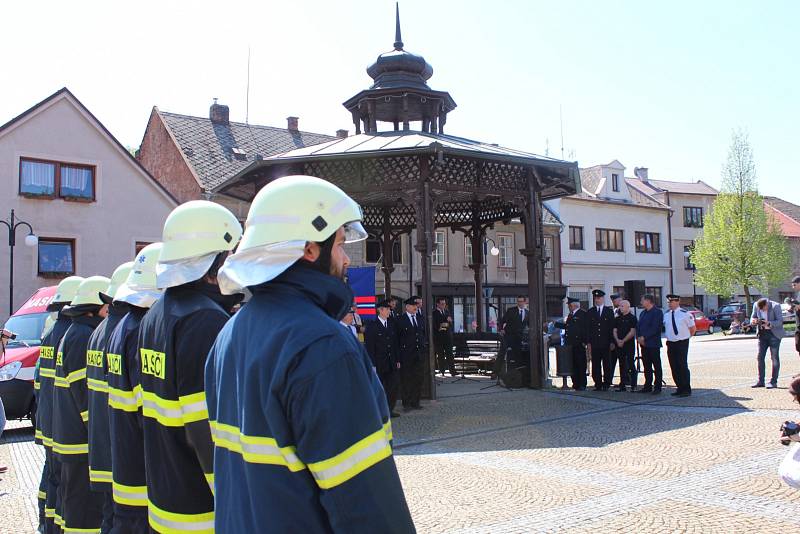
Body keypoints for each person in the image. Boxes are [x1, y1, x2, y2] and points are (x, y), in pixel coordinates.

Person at [207, 175, 414, 532]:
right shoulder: (323, 345)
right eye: (339, 244)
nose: (347, 259)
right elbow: (365, 500)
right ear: (309, 250)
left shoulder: (227, 335)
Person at [137, 200, 243, 533]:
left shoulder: (156, 315)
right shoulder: (204, 320)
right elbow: (208, 431)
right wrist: (234, 507)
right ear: (212, 264)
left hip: (165, 502)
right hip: (201, 513)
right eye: (231, 255)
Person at [107, 244, 164, 533]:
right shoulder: (141, 330)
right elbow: (150, 412)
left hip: (126, 473)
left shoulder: (123, 327)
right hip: (142, 479)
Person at [52, 276, 110, 534]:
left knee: (73, 505)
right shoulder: (82, 336)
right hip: (80, 443)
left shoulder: (74, 331)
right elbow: (84, 396)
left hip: (70, 439)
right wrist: (99, 436)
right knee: (83, 512)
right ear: (92, 307)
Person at [86, 262, 133, 534]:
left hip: (101, 445)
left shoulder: (98, 332)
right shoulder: (124, 331)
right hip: (120, 453)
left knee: (109, 518)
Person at [36, 275, 83, 534]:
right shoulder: (69, 334)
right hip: (63, 422)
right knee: (64, 482)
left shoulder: (52, 332)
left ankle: (47, 522)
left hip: (49, 418)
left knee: (52, 476)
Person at [365, 300, 401, 417]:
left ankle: (389, 410)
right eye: (387, 309)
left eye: (389, 309)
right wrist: (372, 364)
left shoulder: (391, 324)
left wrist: (397, 360)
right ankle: (379, 412)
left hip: (392, 362)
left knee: (393, 386)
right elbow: (370, 346)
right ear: (380, 310)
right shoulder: (372, 325)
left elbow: (395, 343)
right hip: (379, 363)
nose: (389, 311)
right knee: (379, 388)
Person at [663, 294, 696, 397]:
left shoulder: (685, 314)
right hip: (671, 343)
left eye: (671, 302)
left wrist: (685, 338)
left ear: (677, 302)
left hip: (682, 342)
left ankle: (686, 388)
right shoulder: (667, 314)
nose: (670, 304)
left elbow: (692, 329)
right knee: (674, 366)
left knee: (682, 365)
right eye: (668, 302)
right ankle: (679, 387)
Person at [397, 297, 426, 412]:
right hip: (406, 354)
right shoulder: (400, 320)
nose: (415, 307)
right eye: (413, 305)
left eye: (416, 305)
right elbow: (397, 339)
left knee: (418, 378)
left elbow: (423, 334)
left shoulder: (420, 318)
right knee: (406, 379)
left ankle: (416, 401)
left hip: (419, 353)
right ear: (407, 307)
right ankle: (407, 403)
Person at [554, 297, 588, 390]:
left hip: (579, 344)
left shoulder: (583, 314)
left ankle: (582, 384)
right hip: (570, 344)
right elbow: (568, 327)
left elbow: (585, 329)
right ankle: (575, 383)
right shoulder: (570, 315)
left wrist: (584, 342)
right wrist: (556, 324)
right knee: (573, 364)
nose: (569, 307)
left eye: (569, 305)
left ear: (573, 305)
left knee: (580, 364)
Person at [750, 297, 785, 389]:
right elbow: (753, 317)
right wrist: (754, 321)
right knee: (760, 357)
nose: (761, 310)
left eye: (763, 308)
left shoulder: (775, 306)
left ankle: (773, 381)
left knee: (774, 357)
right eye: (760, 309)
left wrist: (768, 323)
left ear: (767, 304)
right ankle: (761, 381)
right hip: (762, 334)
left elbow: (780, 321)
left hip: (774, 334)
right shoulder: (756, 305)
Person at [586, 289, 616, 391]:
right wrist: (589, 342)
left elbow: (612, 327)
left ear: (603, 299)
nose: (597, 300)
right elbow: (588, 329)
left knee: (607, 364)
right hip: (595, 343)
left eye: (599, 298)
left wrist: (612, 341)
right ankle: (598, 383)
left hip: (606, 343)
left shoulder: (609, 311)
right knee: (596, 364)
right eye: (595, 298)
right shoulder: (590, 312)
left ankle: (607, 383)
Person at [636, 294, 664, 394]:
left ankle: (657, 386)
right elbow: (638, 326)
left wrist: (644, 337)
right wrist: (639, 337)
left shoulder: (657, 312)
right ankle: (647, 385)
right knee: (646, 366)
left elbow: (656, 328)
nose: (641, 302)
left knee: (656, 365)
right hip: (643, 344)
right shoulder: (643, 313)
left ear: (648, 301)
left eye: (642, 300)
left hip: (653, 343)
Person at [613, 300, 638, 392]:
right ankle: (622, 385)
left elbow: (632, 332)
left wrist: (623, 340)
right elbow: (614, 330)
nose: (620, 308)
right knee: (622, 364)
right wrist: (617, 340)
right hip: (619, 344)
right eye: (619, 306)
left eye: (622, 306)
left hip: (629, 344)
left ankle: (633, 385)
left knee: (631, 364)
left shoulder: (632, 318)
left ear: (628, 307)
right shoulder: (617, 319)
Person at [501, 296, 529, 364]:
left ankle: (518, 370)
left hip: (519, 337)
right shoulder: (511, 310)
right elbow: (502, 320)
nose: (520, 303)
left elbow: (529, 324)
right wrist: (501, 329)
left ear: (525, 302)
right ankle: (498, 369)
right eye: (518, 301)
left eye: (521, 301)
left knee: (518, 355)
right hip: (509, 336)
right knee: (502, 353)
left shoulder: (527, 313)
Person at [433, 297, 456, 376]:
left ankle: (452, 371)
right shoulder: (434, 313)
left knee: (450, 354)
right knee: (440, 355)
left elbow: (450, 324)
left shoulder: (447, 311)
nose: (443, 305)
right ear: (438, 304)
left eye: (444, 304)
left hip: (447, 337)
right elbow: (435, 326)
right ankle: (442, 370)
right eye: (442, 304)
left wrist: (450, 321)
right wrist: (443, 325)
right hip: (439, 338)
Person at [792, 276, 800, 357]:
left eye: (794, 285)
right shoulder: (798, 294)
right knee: (798, 346)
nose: (793, 287)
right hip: (798, 325)